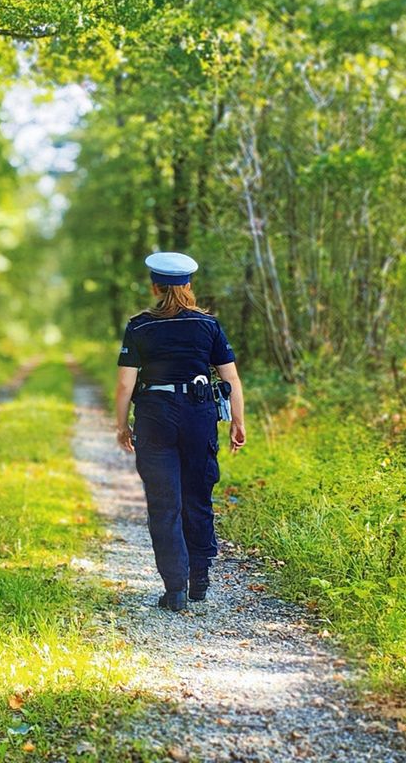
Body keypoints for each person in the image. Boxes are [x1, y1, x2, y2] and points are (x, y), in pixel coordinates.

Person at [114, 252, 245, 612]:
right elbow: (230, 378)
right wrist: (238, 421)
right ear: (188, 286)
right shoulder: (208, 326)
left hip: (155, 417)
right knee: (197, 495)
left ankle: (175, 591)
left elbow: (126, 385)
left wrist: (122, 424)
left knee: (164, 502)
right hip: (198, 415)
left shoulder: (139, 326)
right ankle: (199, 580)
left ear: (155, 286)